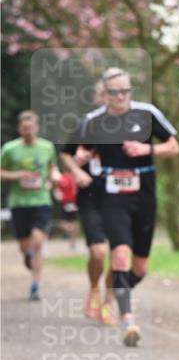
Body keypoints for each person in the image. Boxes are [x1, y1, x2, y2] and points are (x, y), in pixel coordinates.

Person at [71, 68, 179, 345]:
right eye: (114, 92)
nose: (120, 96)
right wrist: (79, 161)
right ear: (104, 94)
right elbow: (77, 152)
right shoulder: (94, 121)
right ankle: (128, 320)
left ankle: (111, 294)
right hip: (111, 198)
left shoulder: (147, 113)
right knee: (119, 254)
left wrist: (148, 150)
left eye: (125, 91)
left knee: (139, 268)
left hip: (144, 195)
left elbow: (174, 147)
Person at [60, 79, 115, 324]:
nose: (109, 97)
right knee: (98, 251)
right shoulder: (87, 124)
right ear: (97, 97)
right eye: (104, 93)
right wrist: (78, 170)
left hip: (120, 197)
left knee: (119, 254)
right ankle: (94, 289)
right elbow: (66, 152)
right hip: (92, 195)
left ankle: (108, 303)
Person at [0, 110, 60, 301]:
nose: (28, 132)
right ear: (19, 129)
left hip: (41, 200)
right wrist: (18, 175)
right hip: (19, 203)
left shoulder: (47, 147)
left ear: (37, 127)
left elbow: (52, 168)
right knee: (25, 247)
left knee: (38, 241)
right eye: (25, 128)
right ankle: (29, 256)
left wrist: (53, 180)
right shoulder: (10, 149)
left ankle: (35, 285)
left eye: (31, 128)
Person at [53, 170, 79, 249]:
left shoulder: (62, 178)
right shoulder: (74, 177)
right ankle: (72, 241)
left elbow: (56, 190)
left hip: (66, 202)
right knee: (73, 222)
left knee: (63, 222)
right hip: (72, 203)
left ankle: (70, 231)